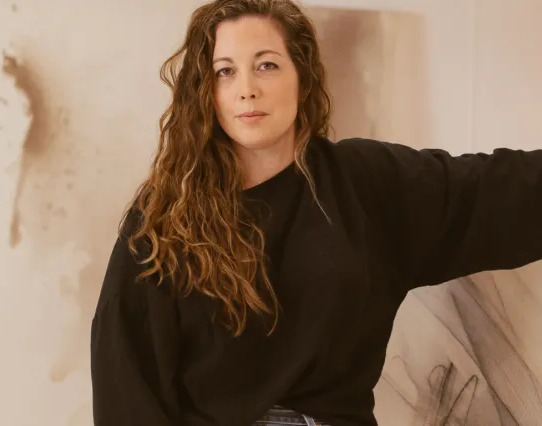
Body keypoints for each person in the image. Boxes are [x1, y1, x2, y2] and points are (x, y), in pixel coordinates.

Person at [89, 0, 542, 425]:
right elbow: (127, 376)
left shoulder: (364, 182)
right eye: (225, 72)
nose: (246, 89)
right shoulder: (167, 216)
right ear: (205, 92)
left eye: (266, 65)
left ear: (301, 76)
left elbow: (497, 190)